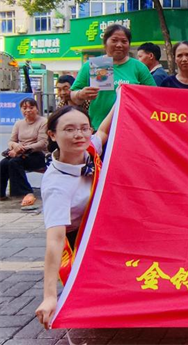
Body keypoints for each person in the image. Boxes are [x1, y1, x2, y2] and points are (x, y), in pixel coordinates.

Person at [34, 105, 113, 329]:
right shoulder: (56, 186)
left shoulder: (88, 150)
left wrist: (123, 97)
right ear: (52, 135)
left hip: (99, 227)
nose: (79, 135)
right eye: (69, 129)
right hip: (76, 239)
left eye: (84, 128)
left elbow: (103, 132)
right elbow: (55, 240)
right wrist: (49, 296)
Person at [70, 24, 156, 130]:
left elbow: (153, 95)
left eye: (124, 41)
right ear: (105, 43)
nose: (119, 45)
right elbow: (73, 95)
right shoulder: (96, 64)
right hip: (98, 128)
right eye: (114, 40)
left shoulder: (138, 67)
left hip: (130, 128)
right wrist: (80, 94)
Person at [0, 98, 48, 208]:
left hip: (37, 154)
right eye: (24, 108)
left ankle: (25, 193)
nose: (28, 110)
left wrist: (22, 149)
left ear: (37, 109)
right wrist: (15, 146)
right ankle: (1, 194)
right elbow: (11, 141)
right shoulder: (19, 123)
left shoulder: (43, 122)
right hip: (19, 153)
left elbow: (42, 143)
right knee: (3, 163)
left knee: (14, 162)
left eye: (31, 107)